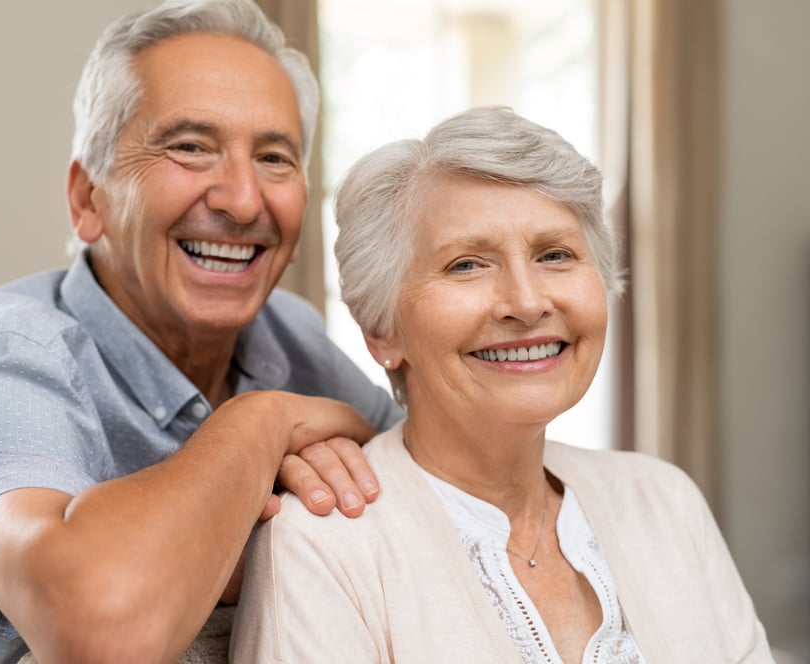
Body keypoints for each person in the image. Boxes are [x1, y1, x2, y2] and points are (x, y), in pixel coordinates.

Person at [0, 1, 402, 662]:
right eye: (190, 148)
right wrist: (264, 421)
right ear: (88, 200)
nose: (244, 200)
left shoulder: (288, 331)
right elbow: (100, 628)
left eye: (275, 157)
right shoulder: (8, 357)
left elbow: (437, 491)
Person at [231, 106, 774, 663]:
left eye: (555, 255)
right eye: (467, 265)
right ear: (379, 329)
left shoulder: (665, 500)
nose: (528, 302)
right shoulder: (321, 547)